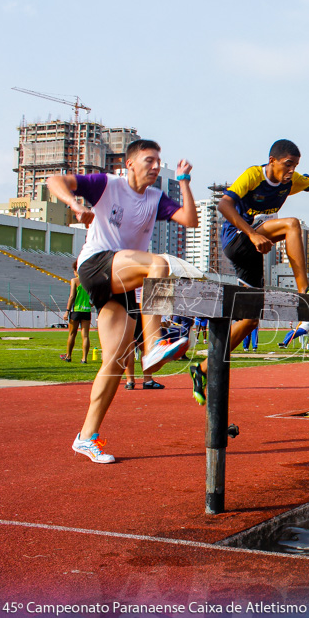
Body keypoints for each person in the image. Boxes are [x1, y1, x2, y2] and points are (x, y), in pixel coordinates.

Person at [47, 139, 197, 464]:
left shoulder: (156, 198)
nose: (156, 166)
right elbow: (54, 181)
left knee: (113, 363)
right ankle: (154, 343)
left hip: (122, 281)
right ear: (129, 163)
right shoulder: (107, 184)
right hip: (97, 263)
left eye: (159, 161)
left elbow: (190, 219)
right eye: (149, 160)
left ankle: (86, 437)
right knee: (159, 263)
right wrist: (75, 205)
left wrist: (184, 183)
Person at [189, 140, 309, 405]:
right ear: (272, 160)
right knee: (291, 225)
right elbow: (224, 206)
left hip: (251, 252)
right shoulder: (253, 175)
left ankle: (202, 368)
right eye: (288, 164)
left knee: (251, 319)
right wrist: (251, 233)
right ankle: (304, 292)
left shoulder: (291, 180)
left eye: (295, 166)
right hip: (237, 238)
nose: (291, 171)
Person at [60, 262, 92, 364]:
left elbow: (72, 296)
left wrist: (67, 311)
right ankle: (84, 359)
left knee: (72, 334)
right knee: (85, 335)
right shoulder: (89, 281)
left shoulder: (74, 281)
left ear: (76, 271)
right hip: (86, 310)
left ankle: (68, 356)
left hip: (76, 311)